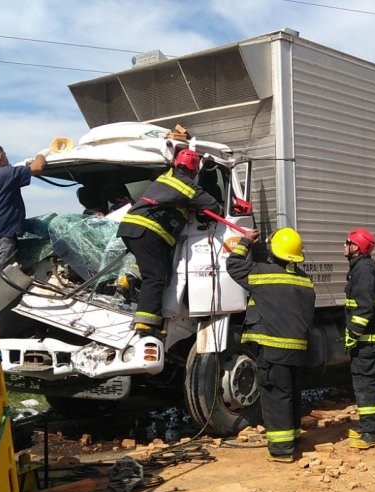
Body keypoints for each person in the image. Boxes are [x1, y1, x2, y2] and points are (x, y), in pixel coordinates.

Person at [227, 227, 315, 462]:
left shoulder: (263, 274)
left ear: (274, 251)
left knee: (276, 395)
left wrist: (245, 241)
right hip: (298, 348)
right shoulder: (304, 280)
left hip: (274, 349)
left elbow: (233, 265)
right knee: (291, 393)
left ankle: (281, 450)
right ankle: (293, 437)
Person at [117, 149, 220, 337]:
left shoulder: (166, 176)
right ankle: (146, 323)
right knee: (156, 276)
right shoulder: (187, 185)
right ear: (193, 170)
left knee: (154, 262)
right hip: (149, 229)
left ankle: (129, 278)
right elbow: (213, 206)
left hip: (130, 227)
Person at [343, 228, 375, 449]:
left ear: (357, 248)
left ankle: (371, 433)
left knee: (366, 384)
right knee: (371, 381)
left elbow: (364, 308)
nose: (344, 246)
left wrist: (353, 334)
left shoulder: (363, 271)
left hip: (366, 340)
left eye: (347, 242)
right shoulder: (366, 268)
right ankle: (370, 425)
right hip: (371, 339)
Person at [0, 144, 46, 275]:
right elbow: (38, 167)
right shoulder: (5, 174)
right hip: (0, 238)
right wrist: (42, 154)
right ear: (1, 156)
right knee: (0, 282)